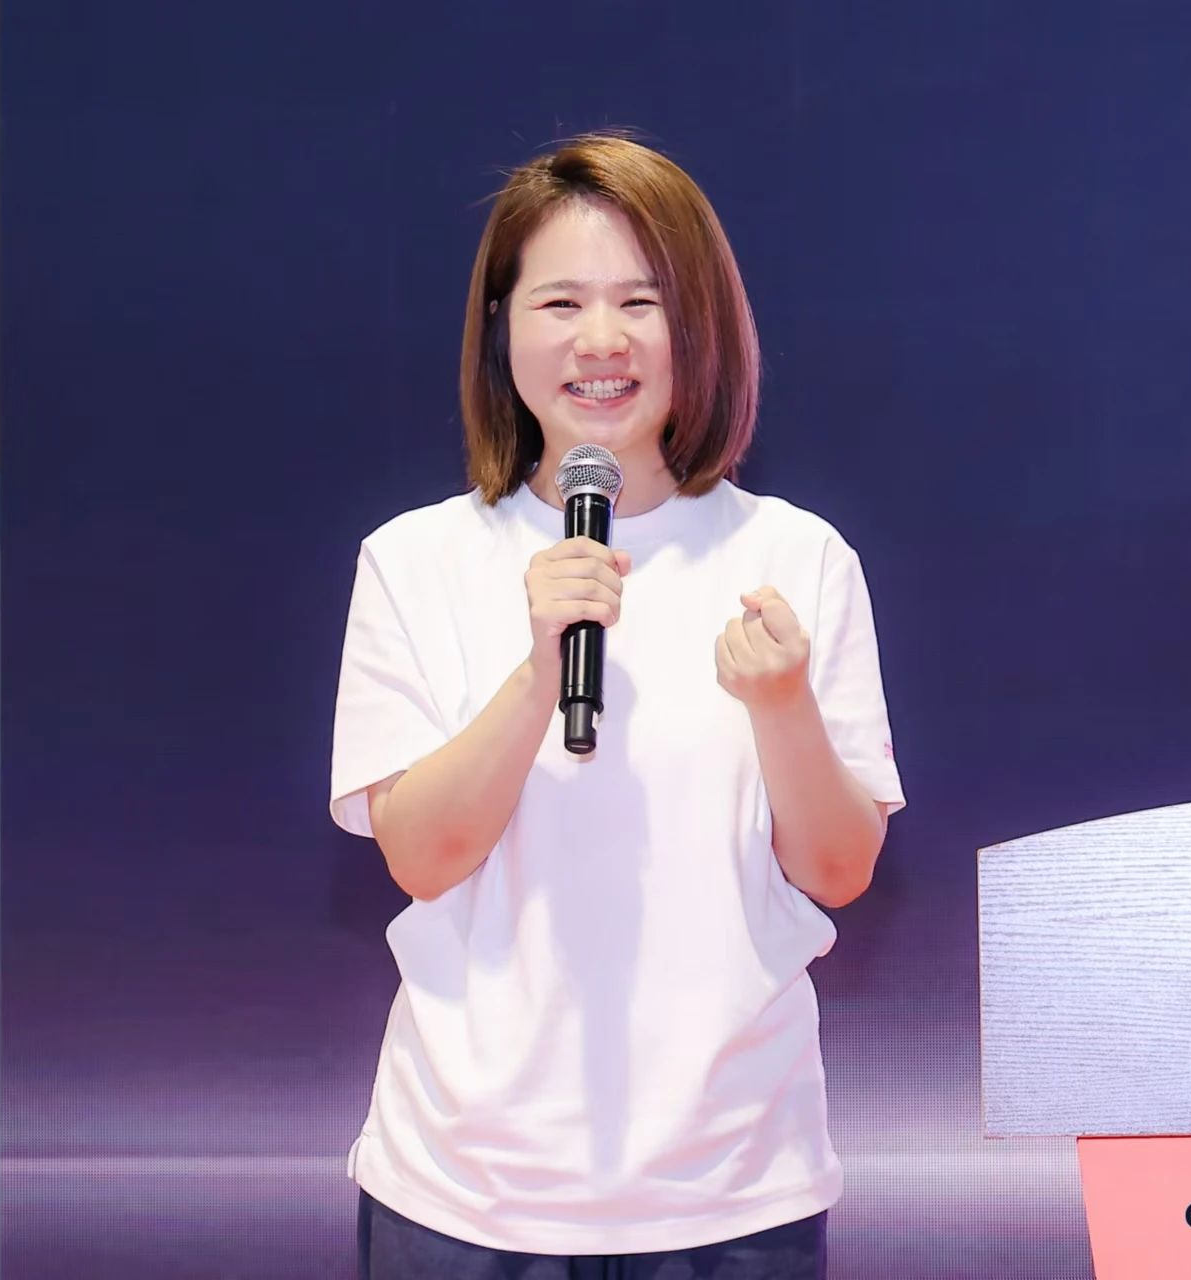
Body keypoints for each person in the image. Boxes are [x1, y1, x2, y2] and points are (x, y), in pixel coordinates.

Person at [328, 132, 904, 1279]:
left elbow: (839, 869)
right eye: (561, 302)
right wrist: (538, 669)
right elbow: (422, 856)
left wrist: (782, 702)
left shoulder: (797, 556)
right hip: (467, 1192)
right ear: (502, 328)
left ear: (701, 327)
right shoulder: (416, 560)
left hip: (732, 1188)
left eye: (643, 301)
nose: (602, 339)